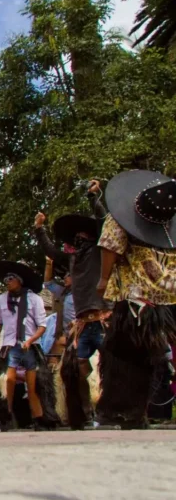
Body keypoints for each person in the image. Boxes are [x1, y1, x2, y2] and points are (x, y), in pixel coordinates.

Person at [95, 170, 176, 428]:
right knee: (148, 358)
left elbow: (111, 245)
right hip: (163, 302)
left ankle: (115, 410)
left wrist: (103, 280)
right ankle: (137, 412)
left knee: (118, 355)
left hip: (133, 300)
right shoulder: (167, 225)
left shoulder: (118, 219)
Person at [33, 179, 108, 425]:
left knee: (110, 368)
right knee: (78, 369)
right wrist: (39, 230)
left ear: (90, 237)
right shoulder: (73, 260)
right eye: (75, 238)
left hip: (104, 320)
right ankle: (88, 413)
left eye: (82, 236)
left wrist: (93, 196)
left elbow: (104, 222)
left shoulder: (99, 251)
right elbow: (53, 253)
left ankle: (109, 411)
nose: (78, 239)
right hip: (83, 325)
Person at [0, 261, 50, 430]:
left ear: (20, 280)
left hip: (30, 345)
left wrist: (30, 341)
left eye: (10, 278)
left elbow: (42, 326)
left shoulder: (35, 299)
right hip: (9, 346)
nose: (6, 281)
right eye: (5, 279)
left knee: (33, 385)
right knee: (7, 380)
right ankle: (6, 417)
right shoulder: (1, 299)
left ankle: (39, 419)